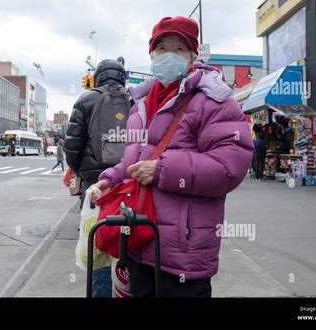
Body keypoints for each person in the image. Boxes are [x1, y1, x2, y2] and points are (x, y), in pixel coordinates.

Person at [89, 16, 253, 297]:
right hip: (140, 239)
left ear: (192, 56)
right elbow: (133, 159)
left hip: (183, 254)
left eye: (179, 49)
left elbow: (230, 167)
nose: (169, 56)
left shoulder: (213, 100)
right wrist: (109, 179)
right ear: (151, 54)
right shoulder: (141, 101)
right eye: (162, 48)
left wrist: (163, 169)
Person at [64, 59, 128, 297]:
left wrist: (80, 171)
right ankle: (127, 288)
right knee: (129, 237)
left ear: (98, 77)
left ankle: (100, 293)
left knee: (97, 242)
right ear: (122, 77)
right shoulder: (133, 98)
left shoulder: (85, 99)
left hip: (95, 184)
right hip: (128, 181)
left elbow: (72, 145)